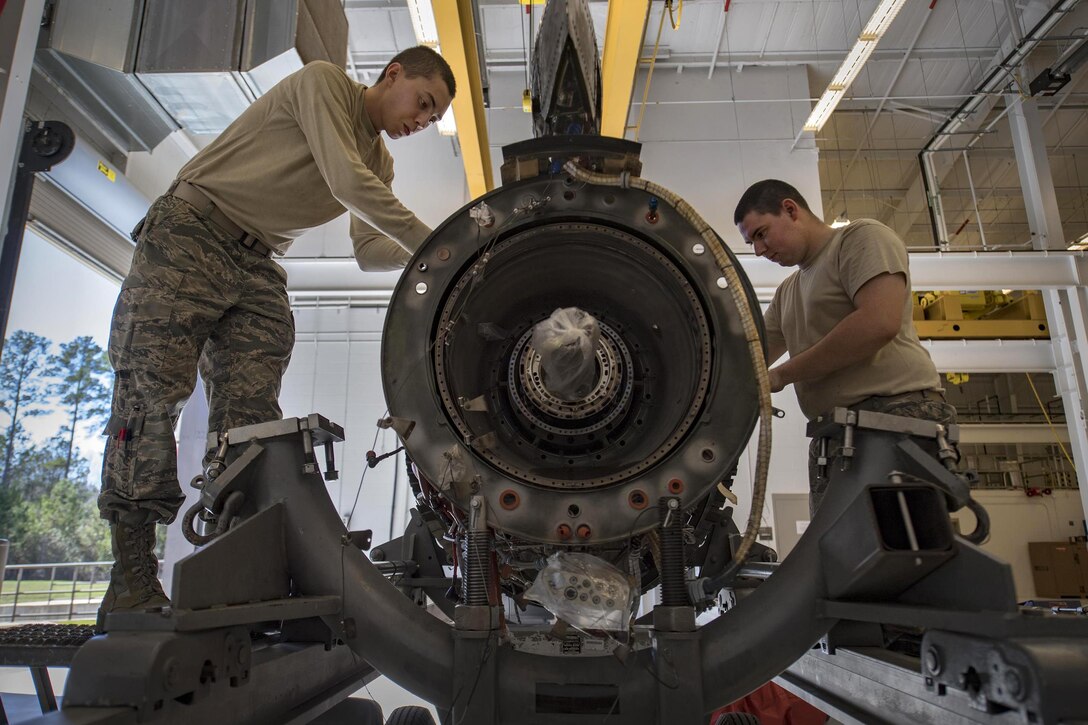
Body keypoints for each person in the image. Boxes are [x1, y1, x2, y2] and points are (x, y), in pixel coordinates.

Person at [97, 46, 456, 624]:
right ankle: (131, 578)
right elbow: (345, 183)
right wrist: (446, 241)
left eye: (432, 119)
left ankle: (232, 570)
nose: (422, 121)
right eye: (424, 103)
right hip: (192, 230)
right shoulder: (324, 86)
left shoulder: (379, 165)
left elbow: (367, 253)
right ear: (394, 75)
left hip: (256, 262)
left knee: (251, 428)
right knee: (149, 397)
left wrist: (439, 253)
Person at [734, 179, 955, 512]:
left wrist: (781, 376)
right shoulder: (788, 292)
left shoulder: (860, 239)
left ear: (790, 210)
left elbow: (878, 324)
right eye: (752, 242)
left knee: (898, 551)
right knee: (837, 553)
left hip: (895, 419)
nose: (759, 250)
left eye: (761, 234)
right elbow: (747, 358)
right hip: (835, 434)